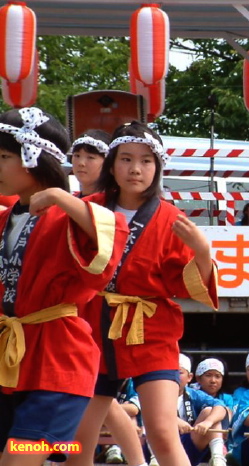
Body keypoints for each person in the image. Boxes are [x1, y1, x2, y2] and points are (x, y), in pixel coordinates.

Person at [68, 121, 219, 466]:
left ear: (158, 167)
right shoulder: (88, 208)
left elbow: (186, 285)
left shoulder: (170, 218)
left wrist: (201, 252)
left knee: (163, 433)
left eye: (146, 161)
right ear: (112, 164)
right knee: (79, 440)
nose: (135, 169)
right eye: (126, 159)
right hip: (93, 327)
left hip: (150, 329)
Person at [0, 107, 128, 466]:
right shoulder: (7, 216)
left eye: (5, 157)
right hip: (11, 361)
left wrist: (59, 197)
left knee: (19, 459)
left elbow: (111, 231)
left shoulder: (70, 215)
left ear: (34, 158)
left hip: (58, 364)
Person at [155, 354, 227, 466]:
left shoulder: (193, 394)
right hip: (160, 445)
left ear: (189, 377)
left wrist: (207, 423)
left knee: (209, 412)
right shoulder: (156, 392)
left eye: (179, 372)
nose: (174, 376)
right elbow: (151, 413)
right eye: (170, 372)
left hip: (187, 444)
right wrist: (175, 421)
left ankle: (218, 459)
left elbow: (220, 407)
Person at [69, 129, 111, 197]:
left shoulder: (115, 203)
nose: (81, 163)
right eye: (77, 155)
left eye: (90, 157)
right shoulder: (68, 200)